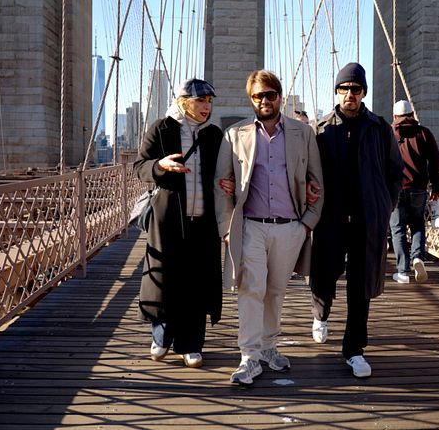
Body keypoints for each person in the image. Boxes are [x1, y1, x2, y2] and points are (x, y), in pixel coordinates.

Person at [215, 69, 323, 386]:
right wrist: (226, 229)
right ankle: (249, 356)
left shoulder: (303, 134)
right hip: (250, 226)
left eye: (270, 94)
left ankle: (268, 347)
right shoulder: (234, 134)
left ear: (279, 96)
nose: (264, 100)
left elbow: (318, 181)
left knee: (276, 291)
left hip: (290, 228)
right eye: (257, 95)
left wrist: (307, 224)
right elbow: (221, 184)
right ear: (251, 99)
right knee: (251, 289)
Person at [307, 63, 403, 378]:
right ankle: (320, 314)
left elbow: (395, 171)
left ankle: (354, 350)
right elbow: (306, 171)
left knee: (360, 286)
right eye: (344, 88)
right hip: (329, 218)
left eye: (356, 89)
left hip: (367, 220)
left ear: (363, 93)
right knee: (324, 274)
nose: (350, 94)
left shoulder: (379, 127)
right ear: (336, 92)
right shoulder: (320, 129)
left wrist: (386, 205)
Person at [133, 78, 223, 369]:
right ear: (184, 102)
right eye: (200, 101)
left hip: (203, 221)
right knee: (164, 278)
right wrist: (159, 165)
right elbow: (139, 167)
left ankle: (191, 344)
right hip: (167, 219)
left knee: (197, 281)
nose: (206, 107)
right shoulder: (161, 128)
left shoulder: (213, 134)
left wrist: (228, 183)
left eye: (209, 102)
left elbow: (224, 172)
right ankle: (161, 338)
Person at [389, 100, 439, 284]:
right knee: (418, 224)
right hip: (419, 188)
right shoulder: (423, 133)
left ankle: (403, 272)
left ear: (395, 116)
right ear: (412, 114)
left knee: (397, 229)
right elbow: (436, 162)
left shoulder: (389, 132)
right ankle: (418, 258)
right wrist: (437, 187)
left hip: (395, 189)